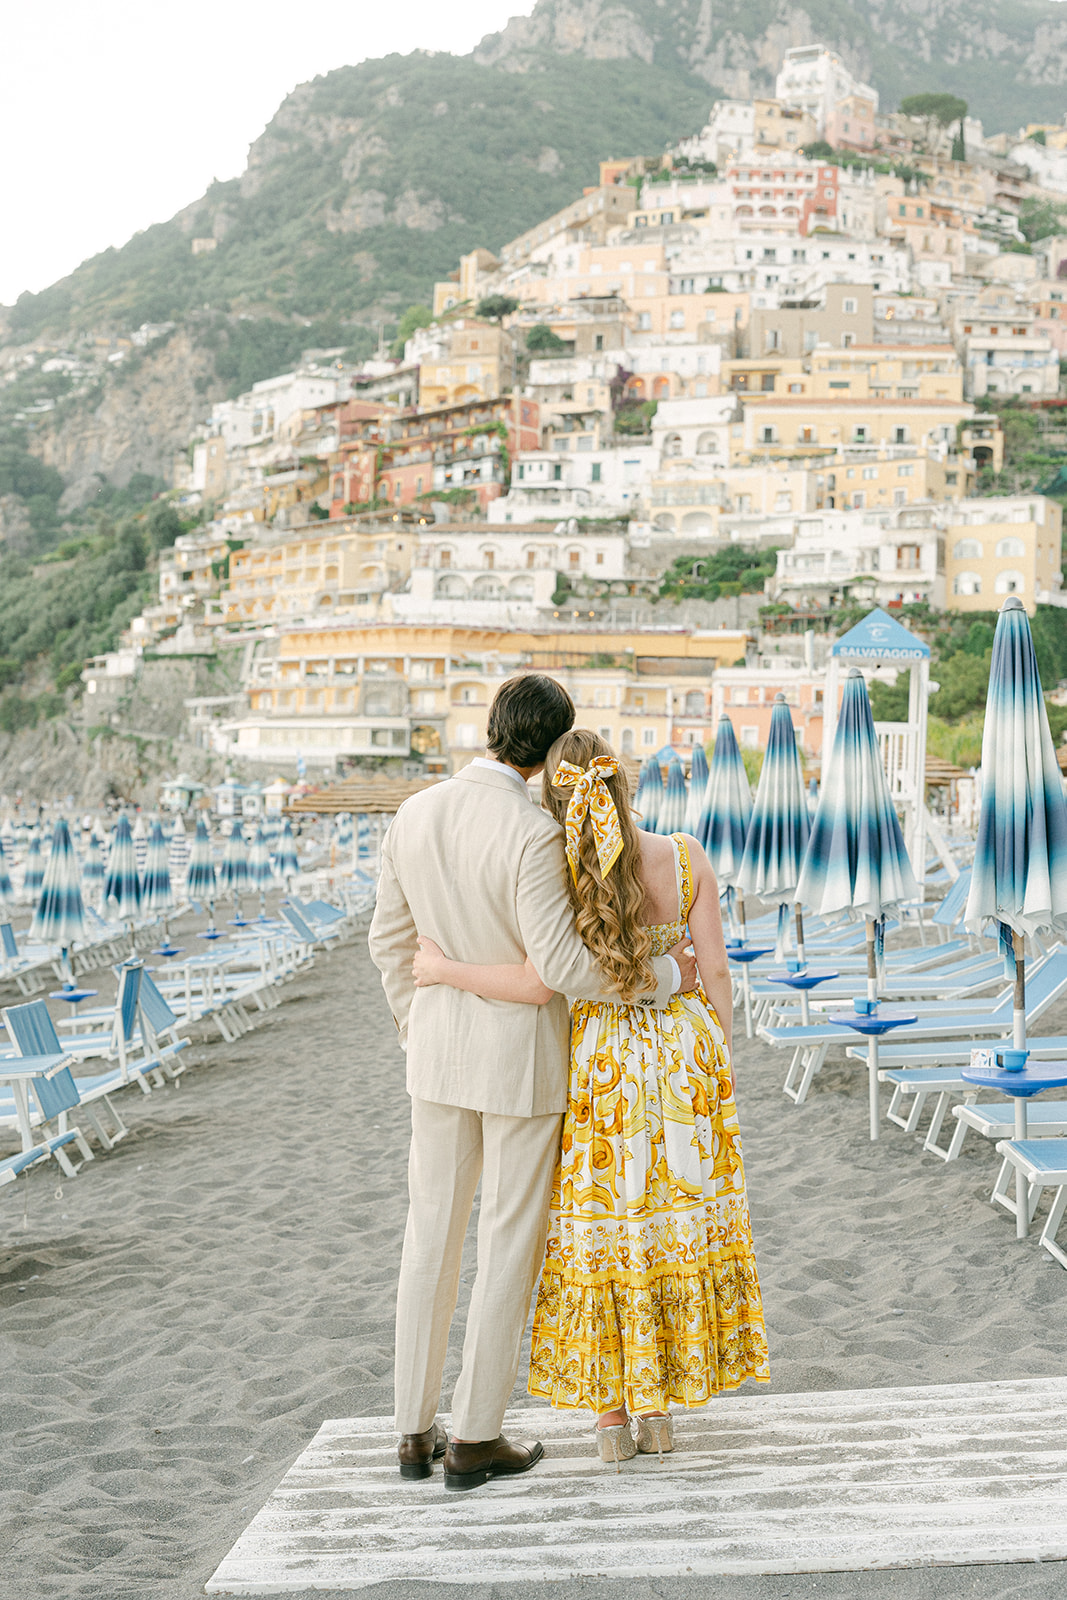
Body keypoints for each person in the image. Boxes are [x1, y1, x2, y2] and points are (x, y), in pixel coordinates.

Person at [368, 679, 696, 1492]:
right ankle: (475, 1438)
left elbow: (387, 943)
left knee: (429, 1240)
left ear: (489, 729)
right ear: (554, 749)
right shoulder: (530, 833)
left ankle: (412, 1432)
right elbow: (560, 970)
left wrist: (421, 1025)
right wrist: (661, 975)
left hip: (436, 1058)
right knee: (505, 1245)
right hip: (521, 1065)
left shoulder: (413, 814)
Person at [412, 729, 769, 1468]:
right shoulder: (684, 856)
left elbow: (542, 979)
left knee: (603, 1232)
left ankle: (610, 1422)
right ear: (625, 784)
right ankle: (660, 1411)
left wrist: (442, 966)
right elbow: (716, 973)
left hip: (600, 1067)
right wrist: (716, 1061)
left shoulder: (561, 868)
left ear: (558, 797)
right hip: (681, 1060)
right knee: (668, 1225)